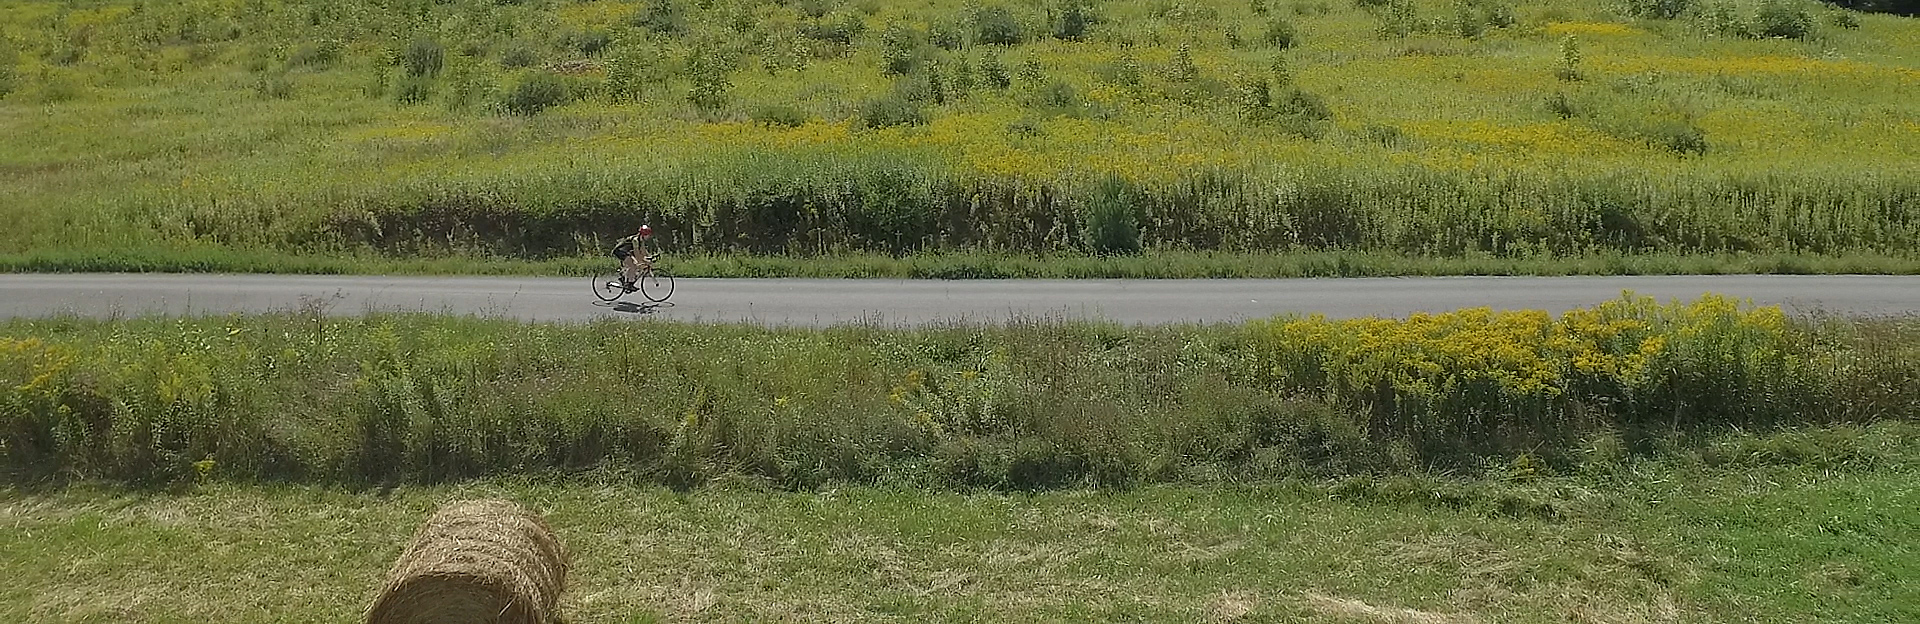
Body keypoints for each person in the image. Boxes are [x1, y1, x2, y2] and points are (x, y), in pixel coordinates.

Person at [611, 225, 654, 292]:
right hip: (620, 251)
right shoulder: (635, 240)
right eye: (647, 235)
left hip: (626, 252)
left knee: (635, 265)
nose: (648, 236)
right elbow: (637, 254)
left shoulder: (641, 240)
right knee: (632, 266)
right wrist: (645, 261)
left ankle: (625, 279)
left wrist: (649, 257)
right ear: (643, 234)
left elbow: (643, 251)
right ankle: (629, 284)